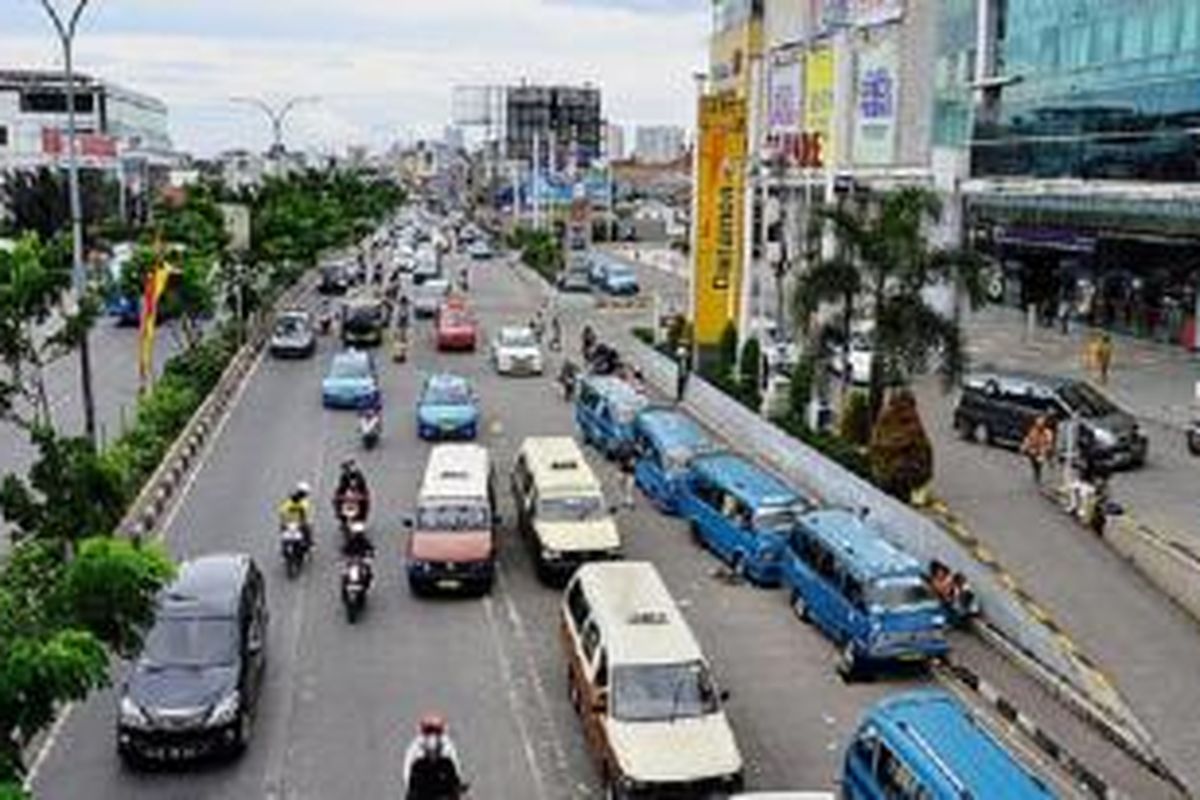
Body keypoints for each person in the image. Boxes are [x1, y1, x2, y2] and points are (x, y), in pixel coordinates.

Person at [403, 714, 465, 800]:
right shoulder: (416, 754)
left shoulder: (448, 754)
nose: (432, 736)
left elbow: (456, 771)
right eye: (429, 730)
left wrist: (457, 788)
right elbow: (408, 776)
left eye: (436, 731)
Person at [1020, 415, 1056, 484]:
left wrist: (1044, 452)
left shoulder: (1047, 433)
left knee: (1041, 462)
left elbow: (1049, 444)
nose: (1039, 425)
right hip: (1035, 450)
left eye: (1041, 423)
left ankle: (1046, 473)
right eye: (1038, 423)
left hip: (1043, 451)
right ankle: (1037, 474)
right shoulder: (1033, 430)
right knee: (1035, 464)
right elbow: (1028, 439)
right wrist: (1024, 446)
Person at [278, 482, 314, 549]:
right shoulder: (301, 503)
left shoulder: (292, 502)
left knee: (307, 529)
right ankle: (309, 542)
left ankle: (308, 542)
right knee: (307, 528)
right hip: (291, 523)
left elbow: (281, 512)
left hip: (295, 523)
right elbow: (282, 512)